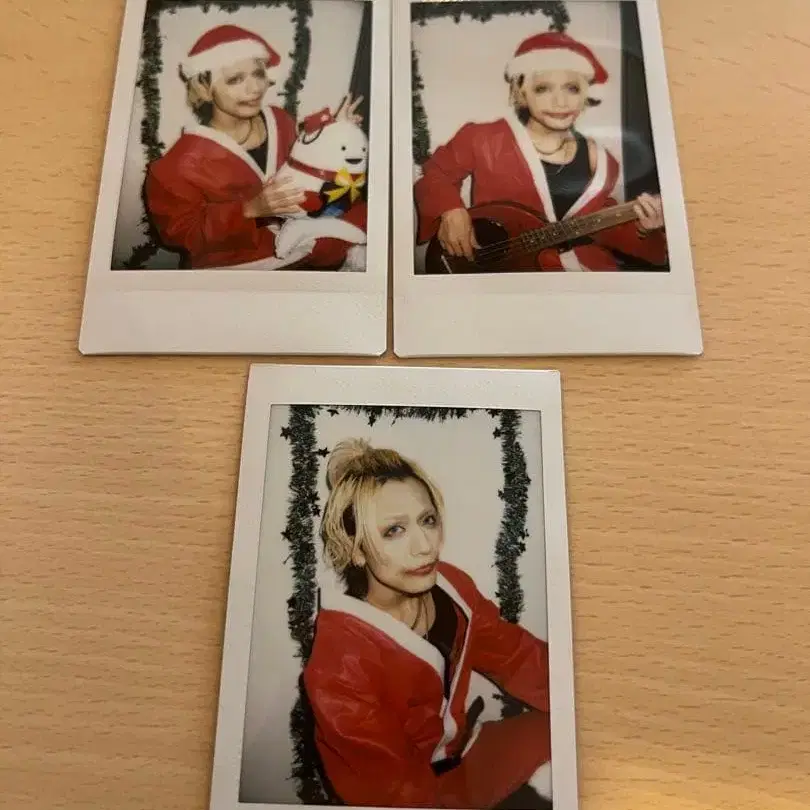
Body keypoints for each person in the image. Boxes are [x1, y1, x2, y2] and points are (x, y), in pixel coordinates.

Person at [302, 439, 553, 809]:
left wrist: (580, 696)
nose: (425, 546)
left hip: (470, 756)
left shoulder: (453, 588)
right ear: (356, 550)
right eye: (394, 530)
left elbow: (518, 657)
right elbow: (391, 792)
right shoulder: (340, 666)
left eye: (427, 520)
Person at [413, 31, 668, 272]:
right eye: (543, 88)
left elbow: (603, 229)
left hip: (583, 275)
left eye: (572, 88)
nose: (560, 102)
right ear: (521, 92)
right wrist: (450, 210)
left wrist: (645, 229)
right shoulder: (483, 138)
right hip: (503, 274)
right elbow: (435, 176)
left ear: (585, 95)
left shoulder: (603, 161)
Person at [144, 24, 366, 270]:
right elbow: (181, 234)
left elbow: (308, 173)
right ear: (204, 90)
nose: (255, 88)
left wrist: (334, 135)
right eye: (235, 79)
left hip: (306, 244)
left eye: (258, 74)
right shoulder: (177, 166)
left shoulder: (280, 120)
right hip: (241, 266)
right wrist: (249, 209)